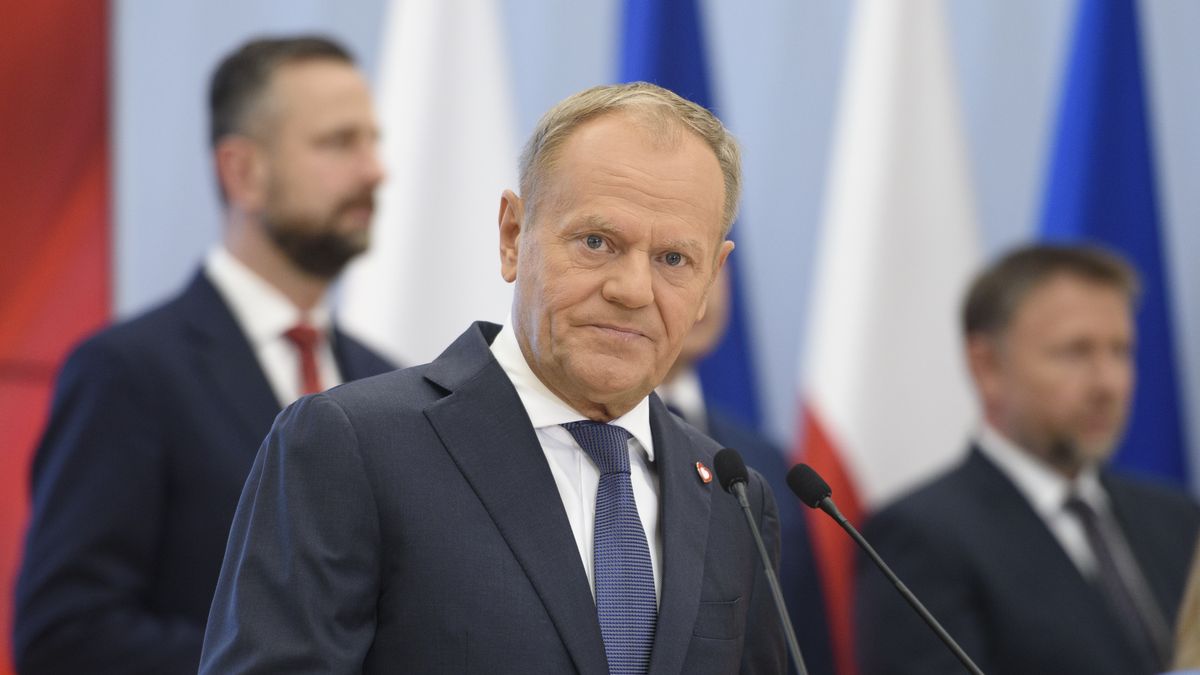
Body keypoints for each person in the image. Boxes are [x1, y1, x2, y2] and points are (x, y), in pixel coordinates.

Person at [199, 82, 787, 674]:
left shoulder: (734, 498)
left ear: (711, 280)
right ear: (512, 235)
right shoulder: (353, 447)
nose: (632, 290)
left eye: (673, 260)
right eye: (596, 242)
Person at [14, 36, 395, 674]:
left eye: (372, 140)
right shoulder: (127, 373)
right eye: (338, 142)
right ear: (243, 171)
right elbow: (64, 635)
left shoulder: (388, 380)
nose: (373, 170)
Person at [854, 244, 1200, 675]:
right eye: (1075, 351)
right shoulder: (921, 537)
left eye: (1121, 351)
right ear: (988, 367)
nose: (1108, 383)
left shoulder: (1177, 517)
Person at [657, 268, 835, 675]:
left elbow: (803, 626)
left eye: (716, 270)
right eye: (677, 260)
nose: (709, 294)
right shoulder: (602, 443)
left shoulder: (765, 456)